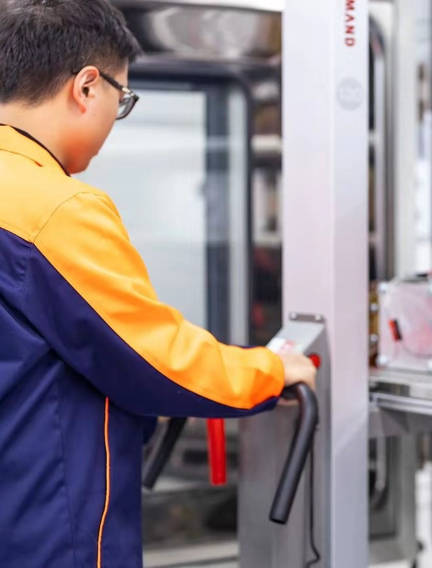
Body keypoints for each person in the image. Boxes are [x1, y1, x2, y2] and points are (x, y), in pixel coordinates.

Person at [0, 1, 316, 566]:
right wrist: (271, 370)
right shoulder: (54, 209)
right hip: (45, 521)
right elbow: (151, 359)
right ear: (87, 87)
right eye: (122, 101)